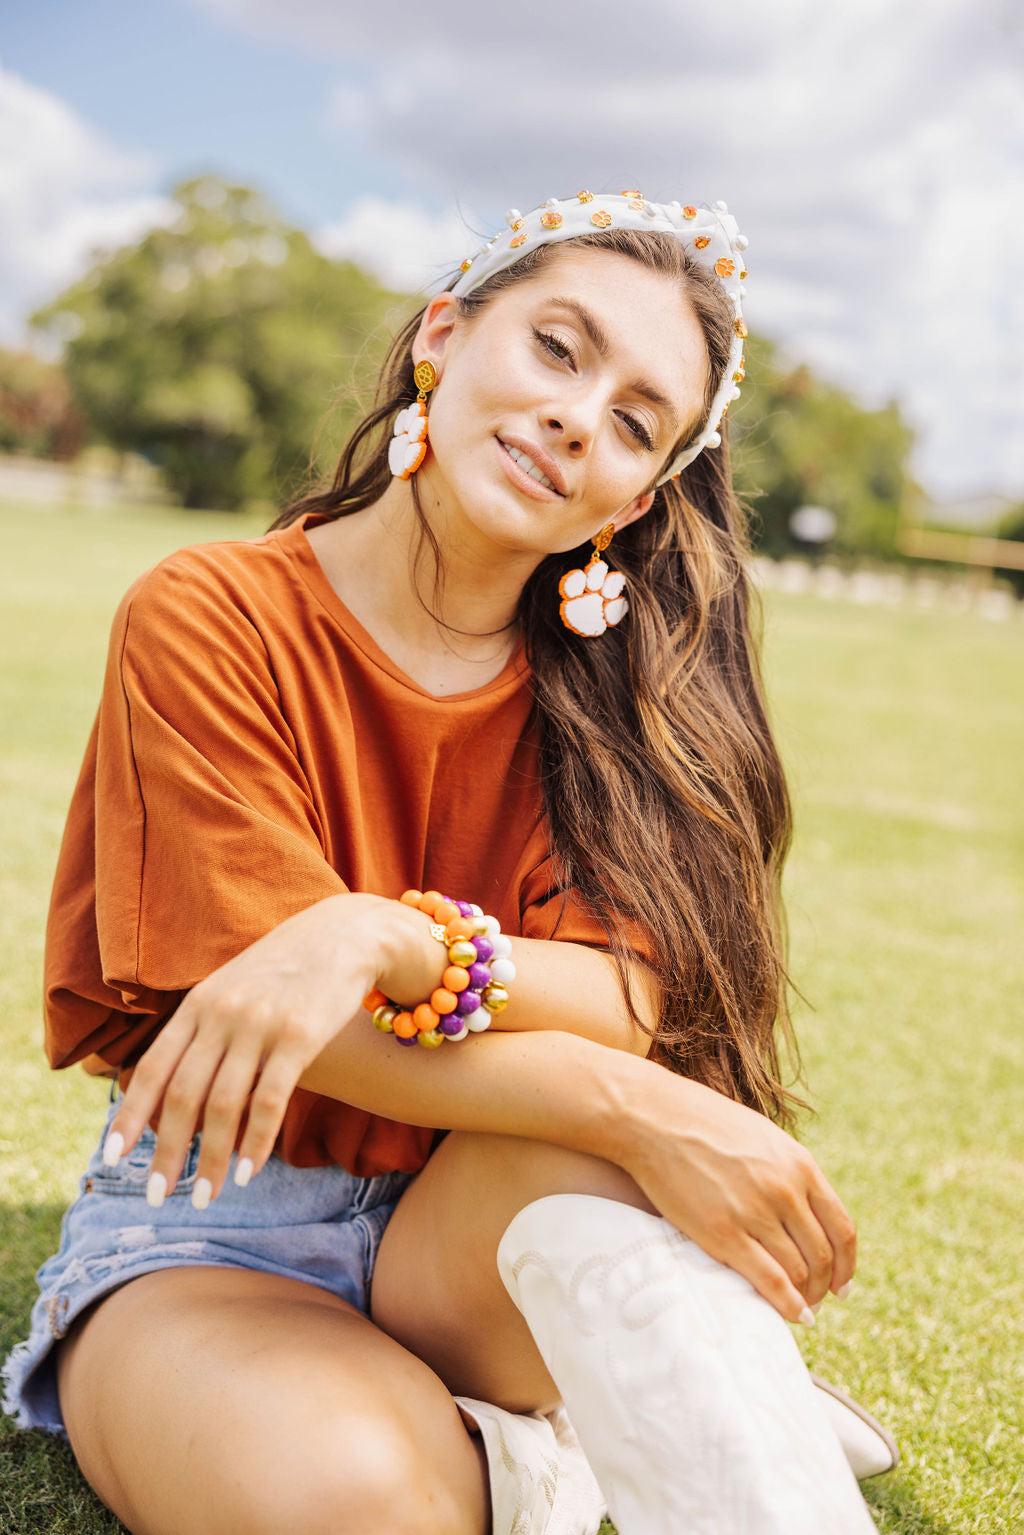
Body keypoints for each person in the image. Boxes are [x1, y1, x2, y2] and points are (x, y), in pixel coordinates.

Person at [2, 190, 897, 1535]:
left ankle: (597, 1403)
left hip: (477, 1229)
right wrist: (635, 1106)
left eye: (636, 419)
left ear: (633, 498)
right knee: (351, 1495)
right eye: (556, 347)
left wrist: (384, 936)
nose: (579, 415)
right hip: (214, 1226)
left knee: (593, 1168)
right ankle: (567, 1439)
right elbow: (278, 1034)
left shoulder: (620, 706)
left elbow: (629, 996)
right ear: (444, 337)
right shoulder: (210, 615)